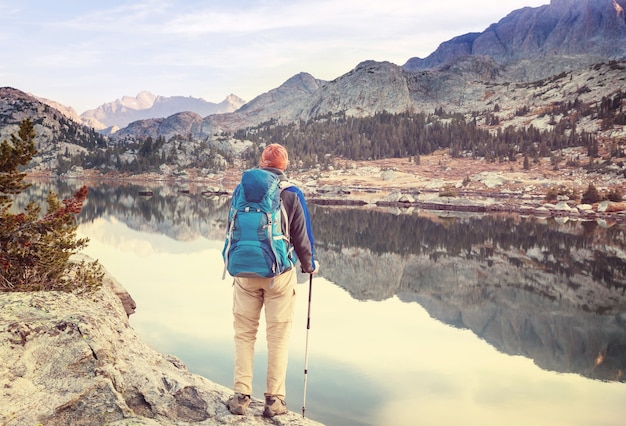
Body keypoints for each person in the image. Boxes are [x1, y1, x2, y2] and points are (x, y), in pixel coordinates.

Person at [225, 143, 319, 418]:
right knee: (277, 337)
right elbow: (302, 238)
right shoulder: (291, 193)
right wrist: (309, 266)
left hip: (243, 273)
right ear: (285, 165)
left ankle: (241, 397)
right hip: (279, 276)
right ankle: (274, 401)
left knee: (244, 335)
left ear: (261, 163)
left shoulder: (241, 190)